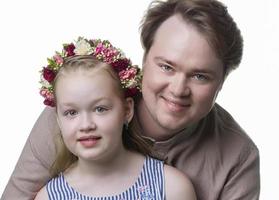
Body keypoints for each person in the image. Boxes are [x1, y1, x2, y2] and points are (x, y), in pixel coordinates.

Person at [1, 0, 260, 199]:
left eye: (200, 76)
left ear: (222, 81)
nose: (179, 89)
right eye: (167, 67)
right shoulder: (80, 110)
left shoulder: (238, 158)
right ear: (145, 59)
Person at [33, 37, 196, 200]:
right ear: (59, 120)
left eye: (100, 109)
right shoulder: (50, 197)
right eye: (71, 112)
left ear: (127, 110)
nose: (86, 125)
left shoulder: (170, 187)